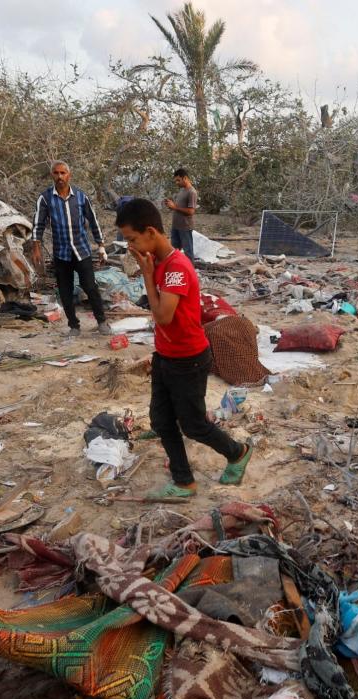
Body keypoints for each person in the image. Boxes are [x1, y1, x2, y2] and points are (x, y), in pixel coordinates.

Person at [115, 198, 250, 500]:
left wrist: (147, 276)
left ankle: (238, 452)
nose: (131, 247)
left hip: (188, 359)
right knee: (161, 420)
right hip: (166, 355)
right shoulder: (160, 262)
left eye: (132, 239)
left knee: (193, 425)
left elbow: (163, 315)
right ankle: (183, 481)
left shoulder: (175, 267)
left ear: (150, 231)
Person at [30, 161, 112, 337]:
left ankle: (102, 321)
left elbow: (94, 221)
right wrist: (36, 248)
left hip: (82, 251)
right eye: (56, 173)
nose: (59, 177)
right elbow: (38, 224)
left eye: (63, 173)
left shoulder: (81, 197)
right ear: (52, 175)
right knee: (65, 291)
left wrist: (101, 245)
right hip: (61, 253)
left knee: (90, 286)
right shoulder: (45, 198)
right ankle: (74, 326)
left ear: (69, 175)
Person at [164, 168, 198, 261]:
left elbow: (191, 211)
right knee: (174, 251)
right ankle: (176, 269)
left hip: (185, 227)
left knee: (188, 252)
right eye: (175, 181)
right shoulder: (182, 190)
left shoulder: (192, 192)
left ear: (185, 178)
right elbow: (178, 207)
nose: (177, 183)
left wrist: (174, 207)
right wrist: (171, 205)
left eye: (178, 180)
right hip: (176, 226)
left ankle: (190, 271)